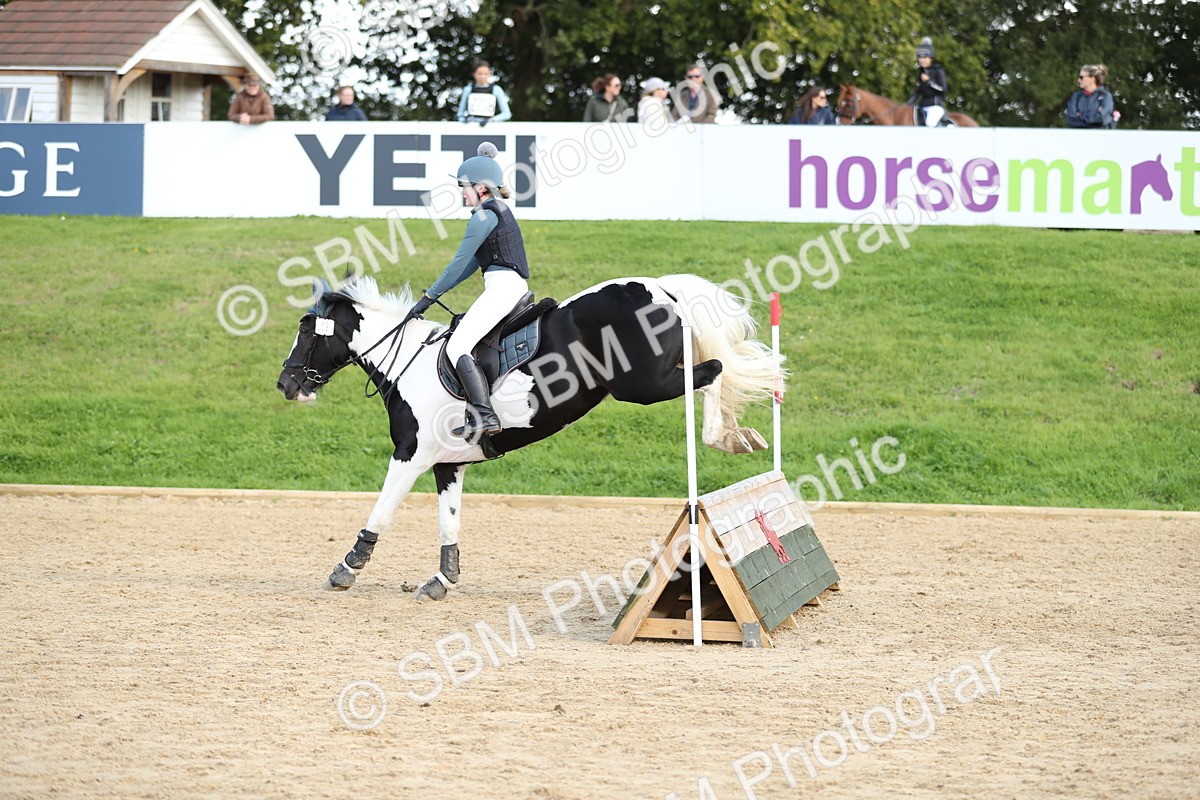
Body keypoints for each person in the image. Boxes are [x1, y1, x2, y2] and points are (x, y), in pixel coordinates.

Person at [406, 143, 529, 440]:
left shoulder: (484, 216)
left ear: (482, 188)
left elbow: (455, 265)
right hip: (507, 286)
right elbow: (469, 267)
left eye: (464, 186)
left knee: (457, 346)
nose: (461, 192)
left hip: (503, 289)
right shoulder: (495, 211)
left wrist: (427, 299)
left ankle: (484, 416)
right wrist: (430, 299)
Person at [456, 60, 512, 126]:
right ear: (473, 74)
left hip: (490, 127)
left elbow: (507, 114)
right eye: (479, 74)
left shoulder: (496, 89)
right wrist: (466, 122)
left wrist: (491, 120)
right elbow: (460, 114)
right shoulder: (468, 89)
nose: (482, 76)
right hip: (471, 127)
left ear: (489, 74)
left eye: (485, 74)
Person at [1066, 64, 1117, 128]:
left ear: (1092, 78)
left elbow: (1102, 118)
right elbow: (1071, 119)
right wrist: (1092, 119)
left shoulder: (1105, 96)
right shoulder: (1076, 96)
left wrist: (1080, 116)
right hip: (1079, 136)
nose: (1078, 80)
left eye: (1081, 77)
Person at [913, 38, 948, 127]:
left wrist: (928, 82)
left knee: (930, 123)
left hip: (935, 107)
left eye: (925, 57)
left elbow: (942, 90)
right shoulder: (921, 73)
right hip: (921, 107)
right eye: (920, 57)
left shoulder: (938, 71)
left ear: (931, 58)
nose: (922, 60)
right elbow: (917, 93)